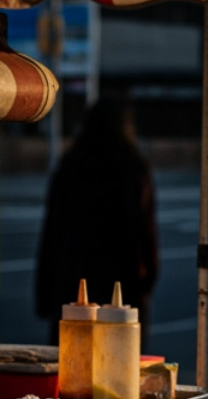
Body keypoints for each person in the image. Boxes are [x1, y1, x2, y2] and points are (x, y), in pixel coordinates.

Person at [35, 98, 159, 344]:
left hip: (72, 281)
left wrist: (44, 293)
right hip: (121, 285)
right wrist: (147, 278)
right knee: (118, 366)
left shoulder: (70, 166)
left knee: (73, 363)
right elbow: (144, 230)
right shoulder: (132, 167)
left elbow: (51, 234)